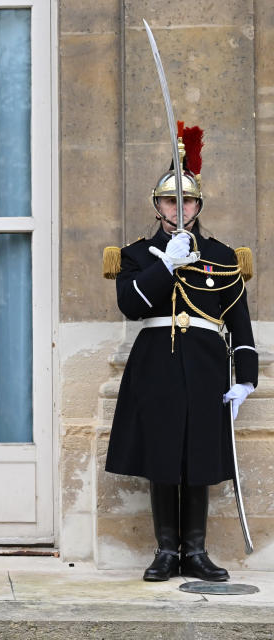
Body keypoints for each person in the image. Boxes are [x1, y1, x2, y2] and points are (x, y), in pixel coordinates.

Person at [104, 126, 257, 582]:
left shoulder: (222, 256)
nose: (179, 209)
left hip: (207, 367)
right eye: (170, 201)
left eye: (187, 201)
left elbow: (239, 322)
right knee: (163, 456)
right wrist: (164, 264)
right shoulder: (136, 254)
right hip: (157, 365)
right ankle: (166, 551)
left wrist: (246, 378)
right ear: (157, 205)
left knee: (199, 458)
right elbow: (131, 306)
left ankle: (197, 551)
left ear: (198, 206)